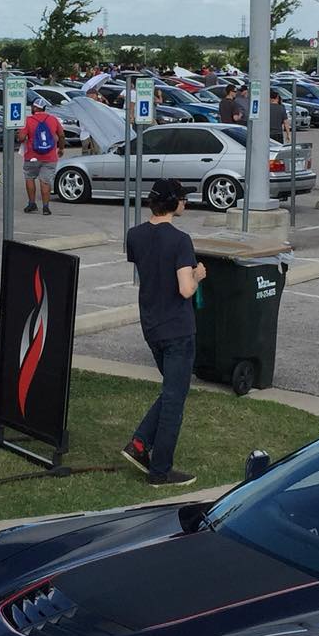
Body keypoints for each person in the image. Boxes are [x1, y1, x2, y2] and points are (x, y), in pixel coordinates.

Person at [121, 179, 203, 487]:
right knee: (174, 399)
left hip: (151, 324)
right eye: (183, 199)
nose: (186, 204)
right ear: (174, 204)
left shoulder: (135, 235)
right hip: (178, 328)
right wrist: (197, 275)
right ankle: (160, 470)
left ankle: (140, 443)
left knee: (172, 390)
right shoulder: (181, 240)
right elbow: (185, 290)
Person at [20, 93, 64, 215]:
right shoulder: (53, 119)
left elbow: (21, 137)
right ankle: (45, 207)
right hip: (50, 157)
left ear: (34, 108)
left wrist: (22, 136)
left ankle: (32, 204)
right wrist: (61, 149)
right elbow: (61, 135)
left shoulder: (28, 120)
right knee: (45, 181)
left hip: (32, 156)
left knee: (29, 177)